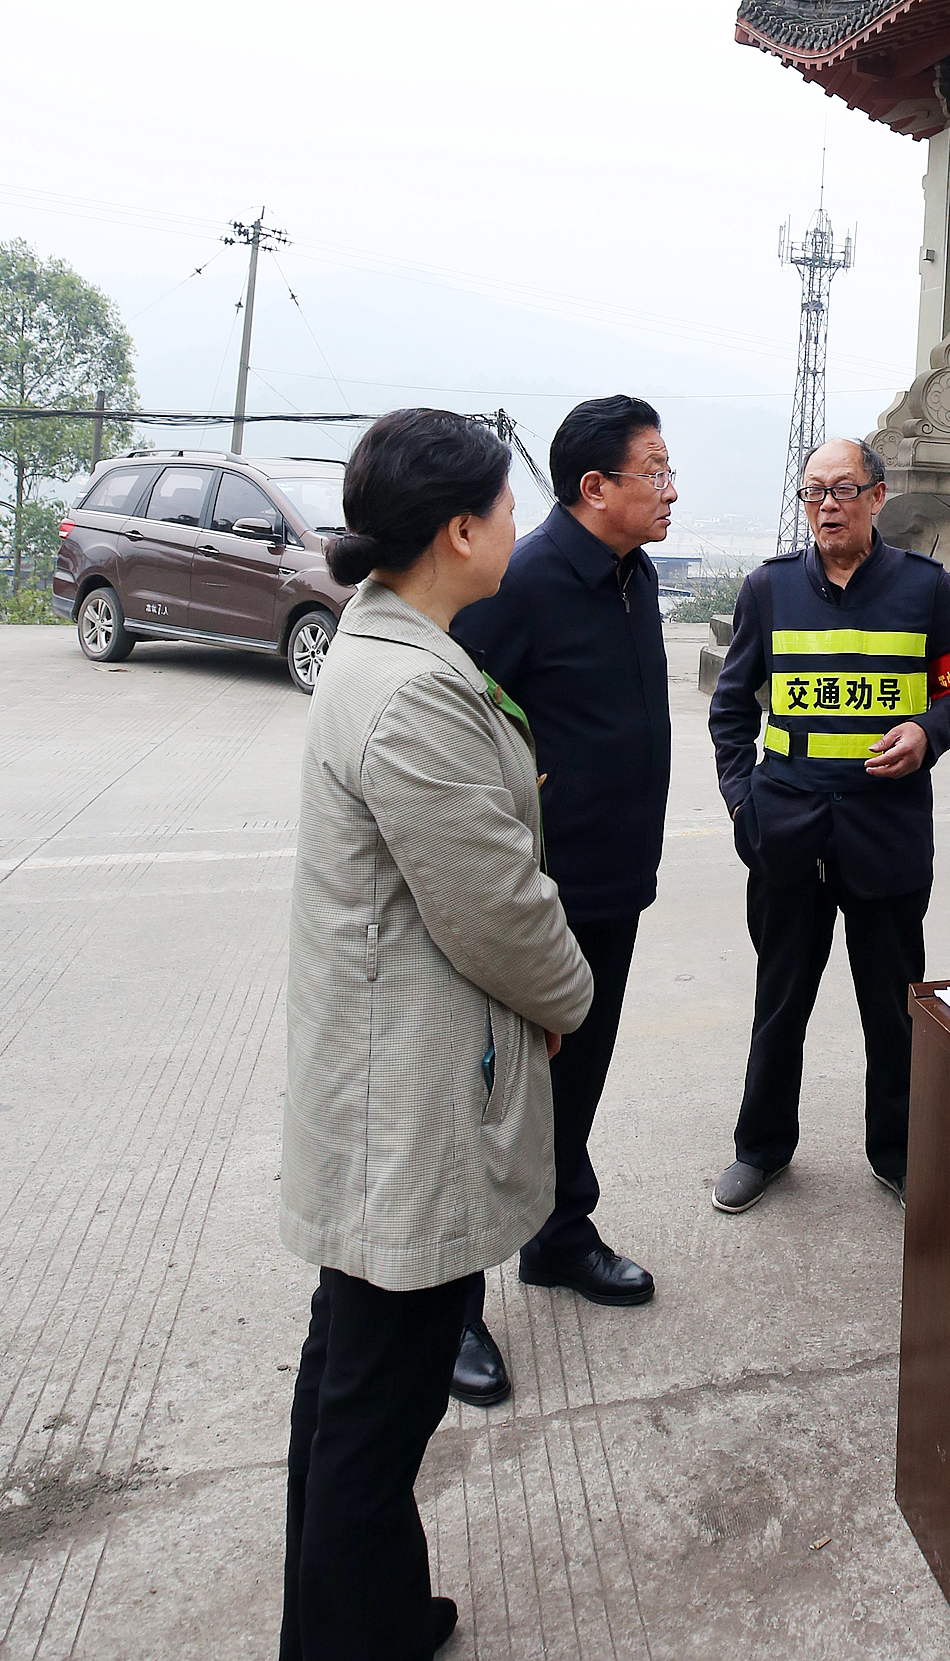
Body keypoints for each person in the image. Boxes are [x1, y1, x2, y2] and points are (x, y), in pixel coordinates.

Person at [279, 409, 591, 1661]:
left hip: (386, 1076)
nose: (518, 526)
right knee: (376, 1404)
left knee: (351, 1381)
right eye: (507, 508)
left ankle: (365, 1616)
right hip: (404, 1100)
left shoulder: (390, 647)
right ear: (459, 531)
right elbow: (496, 908)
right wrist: (566, 998)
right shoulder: (412, 691)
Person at [448, 394, 675, 1404]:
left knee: (577, 1080)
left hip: (617, 881)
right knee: (496, 1100)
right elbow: (461, 735)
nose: (668, 491)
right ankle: (450, 1304)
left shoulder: (634, 576)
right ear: (594, 487)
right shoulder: (526, 581)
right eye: (654, 472)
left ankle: (557, 1233)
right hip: (539, 898)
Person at [708, 435, 950, 1212]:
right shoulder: (768, 590)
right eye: (813, 492)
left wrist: (928, 730)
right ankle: (760, 1148)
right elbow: (730, 710)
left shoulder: (926, 589)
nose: (826, 505)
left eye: (841, 489)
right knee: (779, 1002)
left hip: (885, 834)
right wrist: (743, 804)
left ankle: (898, 1152)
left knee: (893, 1010)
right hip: (787, 834)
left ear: (876, 496)